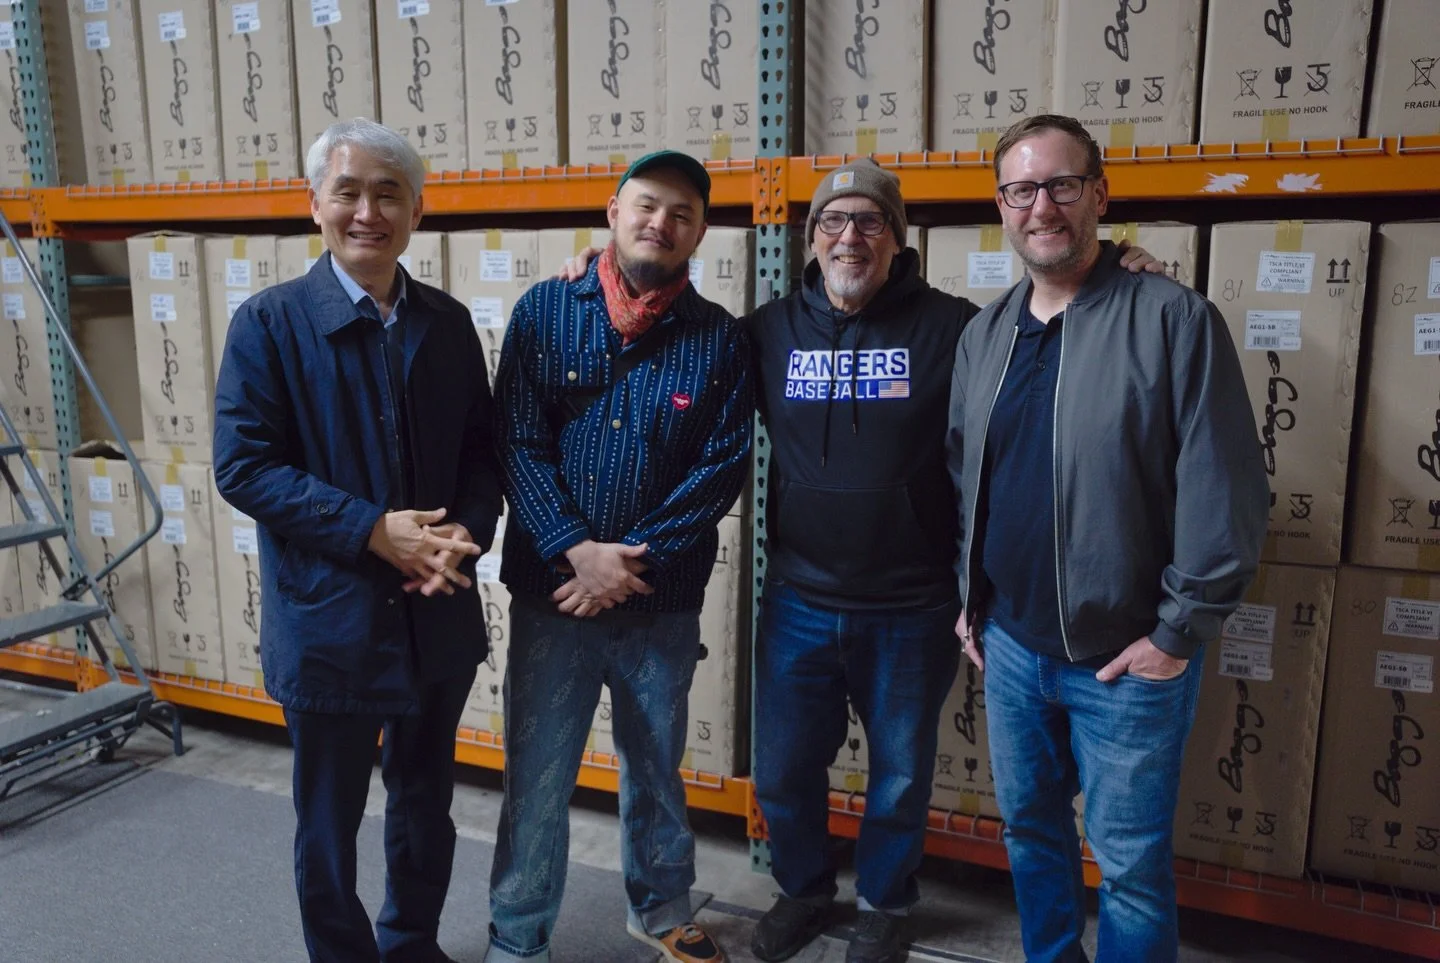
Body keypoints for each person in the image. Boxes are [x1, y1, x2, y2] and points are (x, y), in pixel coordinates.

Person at [556, 159, 1162, 963]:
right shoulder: (767, 330)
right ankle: (804, 890)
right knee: (783, 769)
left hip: (912, 602)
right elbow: (667, 333)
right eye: (834, 222)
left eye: (870, 222)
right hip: (800, 596)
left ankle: (885, 904)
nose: (851, 237)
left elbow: (1051, 307)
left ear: (896, 238)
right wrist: (586, 269)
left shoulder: (956, 327)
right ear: (812, 240)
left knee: (903, 774)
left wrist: (1121, 263)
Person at [947, 114, 1269, 963]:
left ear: (1099, 194)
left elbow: (1224, 485)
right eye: (1021, 189)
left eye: (1060, 184)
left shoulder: (1172, 319)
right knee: (1031, 834)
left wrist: (1176, 633)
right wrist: (969, 599)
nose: (1041, 205)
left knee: (1127, 867)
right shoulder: (986, 335)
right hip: (1012, 649)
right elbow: (964, 474)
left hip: (1126, 657)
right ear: (1002, 205)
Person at [213, 118, 503, 963]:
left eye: (389, 193)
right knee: (328, 820)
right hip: (330, 615)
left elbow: (483, 453)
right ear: (316, 205)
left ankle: (412, 943)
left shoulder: (447, 325)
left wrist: (464, 534)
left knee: (424, 801)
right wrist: (371, 531)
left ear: (416, 211)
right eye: (348, 191)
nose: (367, 211)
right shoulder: (269, 325)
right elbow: (243, 466)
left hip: (433, 607)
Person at [488, 150, 753, 963]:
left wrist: (625, 566)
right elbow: (518, 442)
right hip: (552, 598)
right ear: (613, 210)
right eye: (646, 205)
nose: (659, 224)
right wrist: (576, 550)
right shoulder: (544, 311)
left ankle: (663, 907)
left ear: (700, 231)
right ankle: (519, 934)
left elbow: (720, 469)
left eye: (680, 214)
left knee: (656, 769)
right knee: (536, 777)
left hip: (659, 605)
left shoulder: (720, 339)